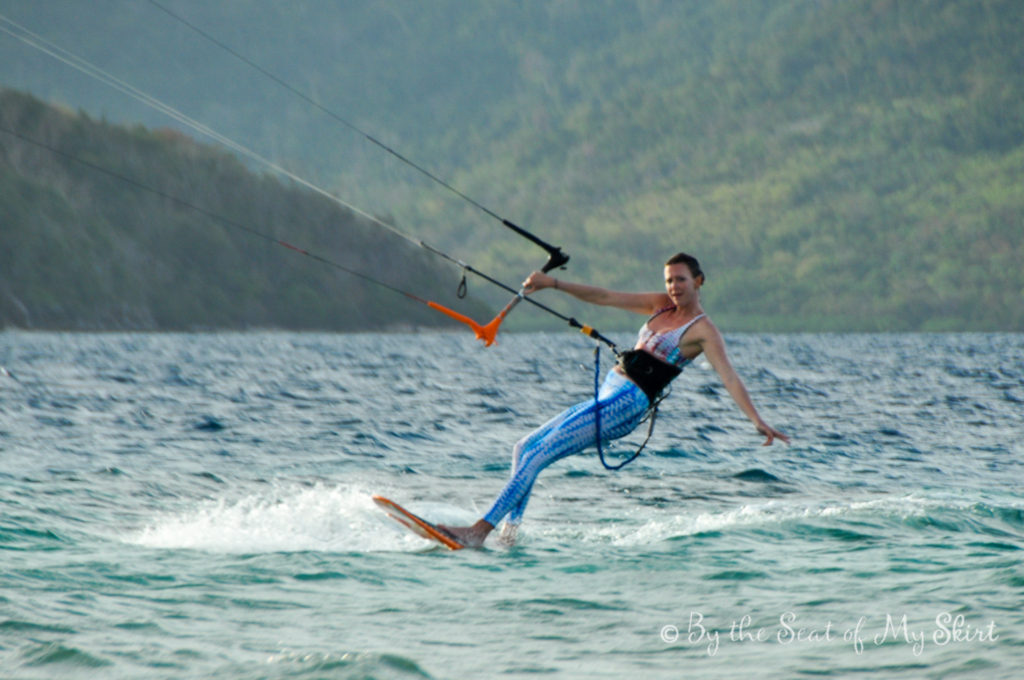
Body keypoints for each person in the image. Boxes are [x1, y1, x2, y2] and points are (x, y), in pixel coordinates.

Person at [439, 252, 788, 548]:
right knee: (523, 448)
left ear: (699, 281)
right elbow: (605, 296)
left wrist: (756, 420)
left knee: (538, 456)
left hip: (627, 404)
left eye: (681, 280)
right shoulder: (659, 306)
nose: (674, 287)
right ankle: (508, 536)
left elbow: (728, 376)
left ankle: (476, 533)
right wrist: (553, 284)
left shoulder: (703, 330)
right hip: (609, 390)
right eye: (669, 280)